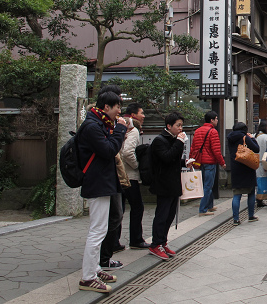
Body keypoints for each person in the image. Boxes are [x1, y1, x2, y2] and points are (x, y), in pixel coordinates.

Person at [78, 91, 127, 293]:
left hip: (102, 182)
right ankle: (88, 277)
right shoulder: (92, 126)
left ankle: (95, 269)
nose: (119, 112)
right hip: (97, 182)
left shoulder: (99, 123)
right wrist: (120, 130)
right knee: (97, 230)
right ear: (106, 107)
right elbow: (108, 150)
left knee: (101, 228)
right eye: (117, 107)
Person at [148, 112, 193, 260]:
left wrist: (184, 162)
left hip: (173, 182)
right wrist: (179, 143)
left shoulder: (173, 140)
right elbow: (166, 158)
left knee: (170, 215)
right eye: (178, 125)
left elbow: (173, 159)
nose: (181, 129)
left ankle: (163, 241)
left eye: (182, 125)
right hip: (163, 183)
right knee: (162, 214)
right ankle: (155, 244)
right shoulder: (160, 141)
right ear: (169, 126)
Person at [118, 104, 150, 250]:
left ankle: (114, 242)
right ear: (133, 115)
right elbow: (127, 152)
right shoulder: (133, 130)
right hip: (129, 176)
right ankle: (136, 239)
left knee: (119, 210)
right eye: (141, 113)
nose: (143, 116)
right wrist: (137, 165)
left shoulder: (120, 127)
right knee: (137, 207)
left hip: (117, 175)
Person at [189, 111, 225, 216]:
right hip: (210, 162)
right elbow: (216, 150)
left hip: (200, 162)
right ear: (212, 120)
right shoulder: (213, 132)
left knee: (206, 184)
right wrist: (222, 162)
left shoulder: (198, 131)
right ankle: (203, 209)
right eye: (216, 119)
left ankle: (210, 205)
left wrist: (191, 160)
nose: (217, 121)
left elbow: (193, 147)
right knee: (208, 186)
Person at [227, 122, 260, 225]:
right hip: (247, 168)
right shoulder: (245, 137)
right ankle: (251, 216)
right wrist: (252, 138)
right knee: (250, 193)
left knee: (237, 194)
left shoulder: (230, 138)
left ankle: (236, 219)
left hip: (235, 168)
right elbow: (256, 149)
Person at [254, 120, 267, 208]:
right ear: (265, 127)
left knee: (258, 180)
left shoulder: (255, 136)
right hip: (264, 162)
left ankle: (258, 198)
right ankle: (261, 199)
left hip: (256, 162)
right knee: (264, 180)